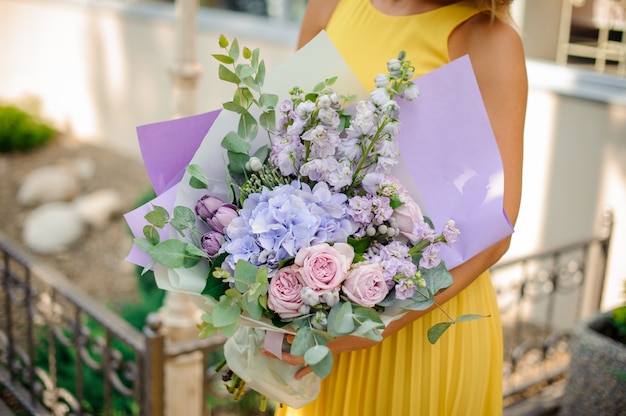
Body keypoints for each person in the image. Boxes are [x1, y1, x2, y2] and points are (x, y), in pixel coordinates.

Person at [267, 1, 527, 414]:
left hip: (424, 328)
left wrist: (371, 329)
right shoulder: (330, 6)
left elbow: (495, 228)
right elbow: (285, 144)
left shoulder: (488, 39)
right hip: (322, 315)